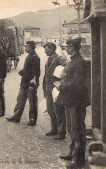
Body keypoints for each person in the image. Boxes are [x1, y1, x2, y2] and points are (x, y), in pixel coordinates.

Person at [54, 38, 90, 168]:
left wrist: (61, 86)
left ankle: (78, 160)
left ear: (73, 47)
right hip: (70, 101)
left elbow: (77, 84)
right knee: (71, 128)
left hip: (76, 102)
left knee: (78, 130)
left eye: (67, 46)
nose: (65, 49)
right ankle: (72, 152)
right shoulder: (74, 60)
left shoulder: (79, 62)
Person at [6, 41, 40, 126]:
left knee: (32, 102)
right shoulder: (29, 56)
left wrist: (32, 84)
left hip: (30, 84)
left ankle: (32, 119)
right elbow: (28, 69)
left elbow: (36, 73)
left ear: (31, 47)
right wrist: (22, 72)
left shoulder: (35, 57)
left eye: (27, 47)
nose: (25, 48)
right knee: (20, 100)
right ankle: (16, 116)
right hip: (24, 83)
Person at [43, 42, 67, 140]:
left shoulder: (59, 58)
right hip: (48, 88)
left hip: (55, 88)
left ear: (53, 49)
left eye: (47, 49)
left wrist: (61, 82)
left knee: (59, 110)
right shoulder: (49, 58)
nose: (45, 51)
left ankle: (61, 133)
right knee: (50, 109)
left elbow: (66, 69)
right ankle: (54, 129)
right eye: (45, 49)